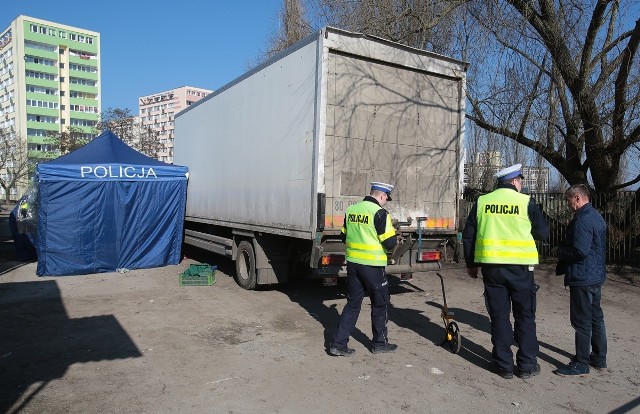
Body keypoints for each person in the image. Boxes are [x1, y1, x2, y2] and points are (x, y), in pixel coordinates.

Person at [462, 163, 549, 379]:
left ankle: (503, 365)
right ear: (515, 181)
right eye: (521, 181)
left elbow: (469, 236)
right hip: (520, 269)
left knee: (499, 317)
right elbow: (543, 233)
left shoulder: (482, 202)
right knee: (525, 316)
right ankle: (527, 365)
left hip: (492, 269)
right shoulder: (526, 201)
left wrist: (472, 265)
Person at [329, 181, 398, 356]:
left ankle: (338, 344)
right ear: (382, 195)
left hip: (353, 264)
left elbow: (344, 237)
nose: (385, 202)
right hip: (373, 266)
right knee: (380, 303)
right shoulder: (380, 213)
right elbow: (390, 243)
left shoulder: (352, 210)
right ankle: (379, 343)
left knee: (352, 303)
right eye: (386, 199)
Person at [551, 184, 607, 376]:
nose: (568, 205)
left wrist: (559, 251)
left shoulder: (583, 219)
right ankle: (599, 358)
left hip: (582, 277)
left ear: (577, 198)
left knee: (581, 320)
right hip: (595, 275)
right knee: (595, 318)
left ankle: (581, 362)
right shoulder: (596, 216)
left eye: (569, 201)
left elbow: (579, 250)